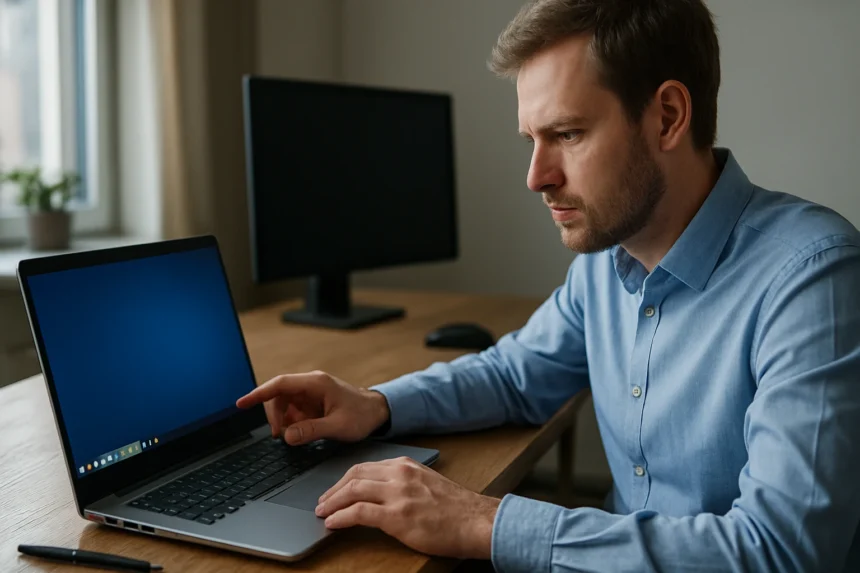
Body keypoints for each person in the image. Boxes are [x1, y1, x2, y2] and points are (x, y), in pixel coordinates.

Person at [237, 0, 860, 570]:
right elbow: (516, 375)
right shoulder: (605, 258)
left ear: (667, 116)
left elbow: (784, 551)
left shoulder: (813, 278)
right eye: (531, 140)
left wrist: (483, 520)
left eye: (567, 134)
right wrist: (376, 404)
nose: (536, 177)